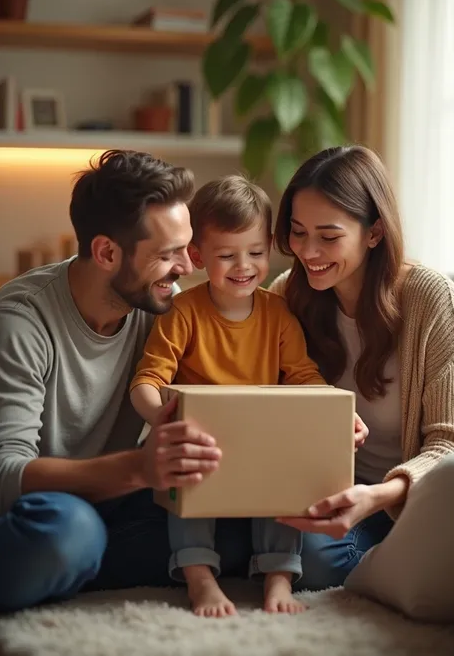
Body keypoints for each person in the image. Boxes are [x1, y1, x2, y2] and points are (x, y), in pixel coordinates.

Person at [0, 150, 233, 613]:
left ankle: (75, 569)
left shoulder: (162, 307)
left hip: (116, 507)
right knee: (70, 533)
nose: (187, 267)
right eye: (168, 255)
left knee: (242, 528)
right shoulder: (21, 323)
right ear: (107, 252)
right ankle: (70, 561)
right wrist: (138, 468)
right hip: (40, 515)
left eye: (186, 249)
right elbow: (5, 475)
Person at [268, 144, 454, 622]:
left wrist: (377, 495)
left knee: (316, 559)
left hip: (401, 502)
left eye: (328, 236)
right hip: (322, 486)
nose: (308, 252)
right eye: (298, 233)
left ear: (374, 232)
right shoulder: (290, 294)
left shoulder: (430, 299)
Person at [130, 176, 328, 618]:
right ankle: (199, 576)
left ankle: (278, 575)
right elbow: (147, 379)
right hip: (199, 437)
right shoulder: (183, 311)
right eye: (226, 255)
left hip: (258, 441)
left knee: (287, 462)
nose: (244, 266)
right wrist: (165, 418)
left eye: (256, 253)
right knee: (189, 461)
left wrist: (332, 413)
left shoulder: (278, 314)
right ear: (197, 257)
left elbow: (303, 376)